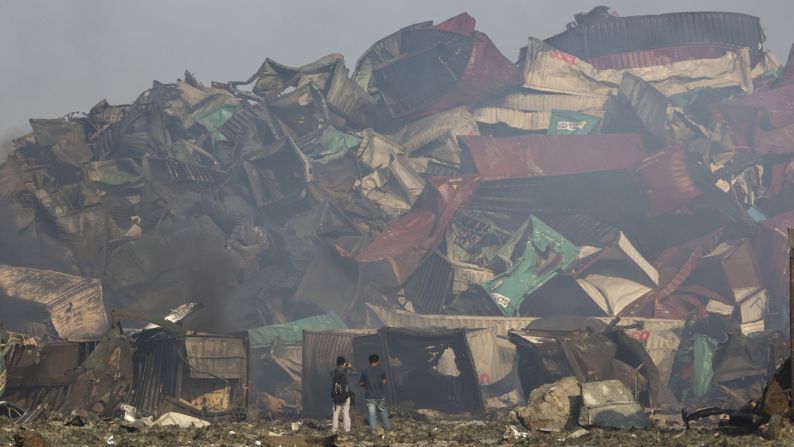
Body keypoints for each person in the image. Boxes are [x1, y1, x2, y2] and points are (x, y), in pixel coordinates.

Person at [358, 353, 389, 433]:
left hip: (369, 396)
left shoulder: (365, 371)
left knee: (372, 414)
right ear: (378, 361)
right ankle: (386, 428)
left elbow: (360, 383)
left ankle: (373, 431)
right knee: (383, 412)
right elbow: (385, 381)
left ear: (369, 361)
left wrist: (367, 384)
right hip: (380, 395)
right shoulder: (382, 370)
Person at [330, 356, 353, 433]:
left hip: (336, 396)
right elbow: (355, 373)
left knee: (335, 413)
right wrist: (350, 367)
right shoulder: (347, 372)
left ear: (336, 363)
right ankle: (347, 429)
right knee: (345, 412)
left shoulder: (333, 372)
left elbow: (332, 376)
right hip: (346, 396)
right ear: (344, 363)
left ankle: (334, 429)